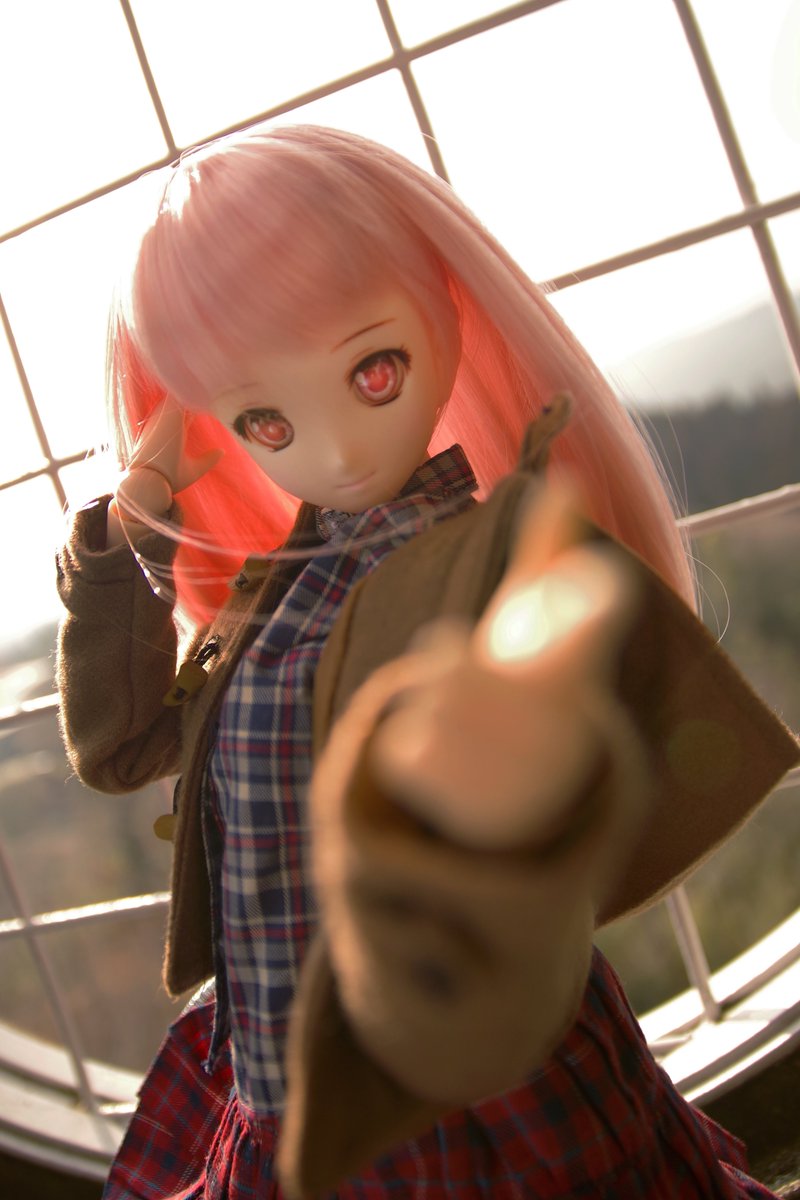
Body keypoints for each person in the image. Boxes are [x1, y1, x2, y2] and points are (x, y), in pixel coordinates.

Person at [56, 125, 798, 1199]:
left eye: (375, 370)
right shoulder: (272, 603)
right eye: (264, 419)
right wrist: (129, 532)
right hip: (290, 1076)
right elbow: (119, 749)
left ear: (448, 322)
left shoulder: (489, 567)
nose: (340, 449)